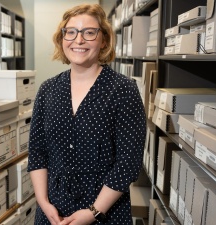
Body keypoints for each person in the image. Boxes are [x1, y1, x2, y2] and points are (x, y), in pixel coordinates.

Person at [27, 3, 146, 225]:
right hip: (52, 212)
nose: (78, 40)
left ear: (103, 40)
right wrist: (43, 203)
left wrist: (93, 212)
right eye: (70, 32)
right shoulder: (48, 90)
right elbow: (37, 153)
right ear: (62, 39)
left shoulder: (123, 90)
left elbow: (128, 163)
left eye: (89, 33)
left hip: (105, 214)